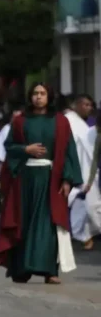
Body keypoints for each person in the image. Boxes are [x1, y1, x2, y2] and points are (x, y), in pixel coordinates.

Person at [0, 83, 83, 285]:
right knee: (23, 222)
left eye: (42, 93)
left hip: (51, 180)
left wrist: (68, 179)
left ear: (49, 96)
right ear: (30, 97)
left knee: (49, 225)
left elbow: (69, 151)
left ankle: (50, 271)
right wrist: (26, 149)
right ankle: (21, 269)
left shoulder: (60, 122)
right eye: (35, 93)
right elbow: (9, 146)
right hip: (25, 180)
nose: (38, 97)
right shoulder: (20, 121)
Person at [64, 94, 96, 249]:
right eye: (85, 104)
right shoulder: (69, 120)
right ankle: (80, 235)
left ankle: (82, 235)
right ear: (76, 105)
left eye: (90, 105)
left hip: (87, 168)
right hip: (73, 168)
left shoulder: (84, 124)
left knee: (83, 203)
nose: (88, 108)